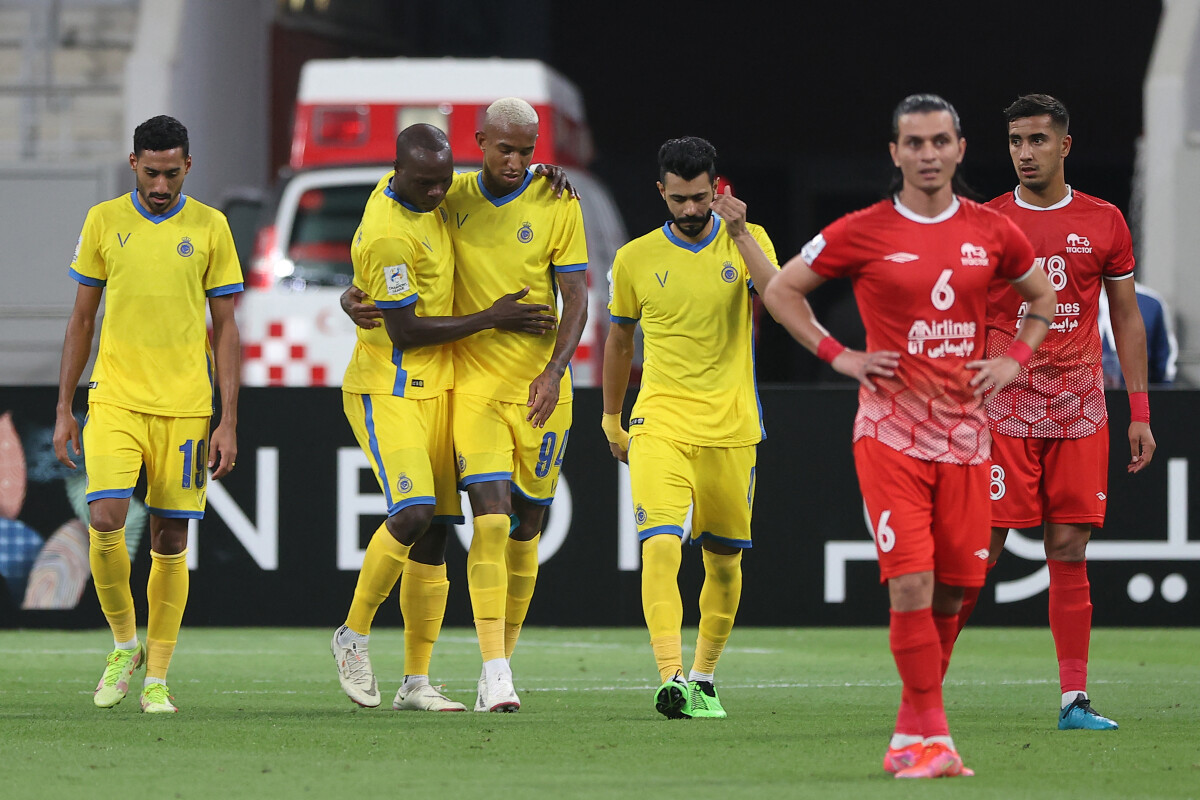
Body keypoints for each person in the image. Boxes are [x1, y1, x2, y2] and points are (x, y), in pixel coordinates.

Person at [761, 95, 1056, 778]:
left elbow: (1042, 300)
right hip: (890, 431)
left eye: (939, 141)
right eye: (914, 143)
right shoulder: (861, 231)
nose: (927, 154)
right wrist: (841, 355)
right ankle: (934, 738)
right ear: (894, 153)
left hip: (967, 438)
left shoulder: (993, 231)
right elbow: (781, 291)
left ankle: (909, 733)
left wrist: (1015, 358)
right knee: (911, 586)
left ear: (959, 148)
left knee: (957, 587)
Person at [342, 98, 588, 713]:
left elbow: (579, 292)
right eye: (506, 148)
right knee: (441, 513)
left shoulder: (450, 191)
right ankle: (362, 637)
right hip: (416, 385)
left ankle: (416, 681)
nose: (434, 193)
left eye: (527, 151)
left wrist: (556, 368)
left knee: (443, 534)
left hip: (457, 388)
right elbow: (401, 323)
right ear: (482, 141)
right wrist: (492, 317)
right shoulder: (404, 222)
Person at [954, 94, 1157, 731]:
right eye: (1015, 140)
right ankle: (923, 690)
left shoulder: (1105, 222)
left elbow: (1124, 318)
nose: (1024, 152)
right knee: (975, 554)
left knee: (1068, 548)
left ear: (1064, 145)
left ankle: (1074, 700)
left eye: (1037, 140)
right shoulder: (986, 223)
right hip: (1004, 412)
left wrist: (1140, 412)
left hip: (1080, 410)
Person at [53, 115, 243, 714]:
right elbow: (82, 319)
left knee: (169, 538)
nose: (161, 185)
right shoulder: (104, 220)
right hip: (114, 397)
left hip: (186, 407)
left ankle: (156, 677)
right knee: (106, 517)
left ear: (188, 166)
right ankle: (123, 643)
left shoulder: (211, 226)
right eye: (151, 172)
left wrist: (228, 418)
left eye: (172, 172)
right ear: (133, 163)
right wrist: (65, 407)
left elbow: (228, 327)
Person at [602, 136, 780, 721]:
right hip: (660, 421)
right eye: (677, 199)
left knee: (724, 560)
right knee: (659, 546)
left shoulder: (745, 241)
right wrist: (610, 415)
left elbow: (778, 303)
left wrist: (744, 233)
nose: (688, 210)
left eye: (699, 198)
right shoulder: (633, 258)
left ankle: (703, 678)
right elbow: (620, 338)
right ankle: (670, 677)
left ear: (717, 188)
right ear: (661, 191)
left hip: (732, 427)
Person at [1100, 280, 1177, 386]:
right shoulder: (1074, 300)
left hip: (1136, 391)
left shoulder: (1150, 302)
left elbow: (1163, 360)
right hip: (1081, 395)